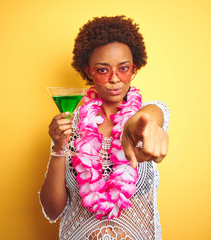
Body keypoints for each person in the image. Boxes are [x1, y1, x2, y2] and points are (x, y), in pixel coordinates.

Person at [39, 15, 170, 240]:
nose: (114, 79)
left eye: (123, 68)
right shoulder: (69, 124)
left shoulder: (148, 114)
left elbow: (152, 117)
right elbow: (53, 210)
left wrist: (137, 126)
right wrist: (59, 147)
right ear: (89, 71)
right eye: (102, 70)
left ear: (134, 68)